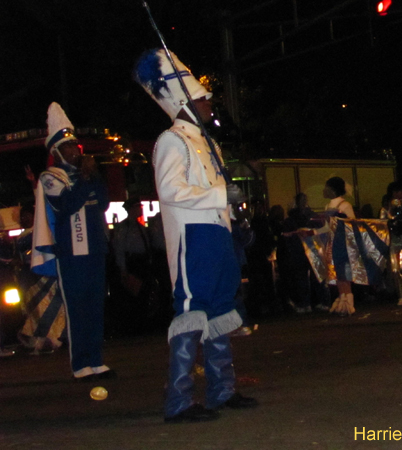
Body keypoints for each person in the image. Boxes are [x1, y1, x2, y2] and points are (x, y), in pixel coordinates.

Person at [135, 47, 257, 423]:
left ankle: (222, 390)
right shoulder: (172, 140)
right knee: (192, 311)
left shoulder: (207, 142)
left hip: (217, 233)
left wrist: (232, 215)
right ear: (185, 103)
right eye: (203, 100)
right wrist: (223, 194)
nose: (209, 106)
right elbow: (170, 191)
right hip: (193, 236)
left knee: (220, 309)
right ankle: (179, 401)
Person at [30, 103, 114, 380]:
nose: (74, 151)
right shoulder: (51, 177)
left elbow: (101, 202)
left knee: (95, 306)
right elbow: (67, 205)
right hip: (71, 254)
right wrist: (85, 182)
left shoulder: (86, 174)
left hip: (94, 250)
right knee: (77, 308)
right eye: (67, 147)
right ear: (55, 151)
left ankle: (96, 360)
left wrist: (90, 180)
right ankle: (81, 364)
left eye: (75, 146)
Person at [16, 202, 66, 354]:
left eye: (28, 216)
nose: (25, 218)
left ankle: (50, 339)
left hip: (42, 274)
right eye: (22, 216)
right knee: (31, 309)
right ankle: (36, 340)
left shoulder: (41, 233)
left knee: (46, 307)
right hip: (26, 276)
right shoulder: (21, 236)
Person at [323, 176, 357, 315]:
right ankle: (343, 299)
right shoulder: (328, 206)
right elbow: (326, 227)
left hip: (343, 243)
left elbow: (353, 224)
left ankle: (348, 302)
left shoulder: (345, 205)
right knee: (337, 274)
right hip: (332, 243)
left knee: (344, 273)